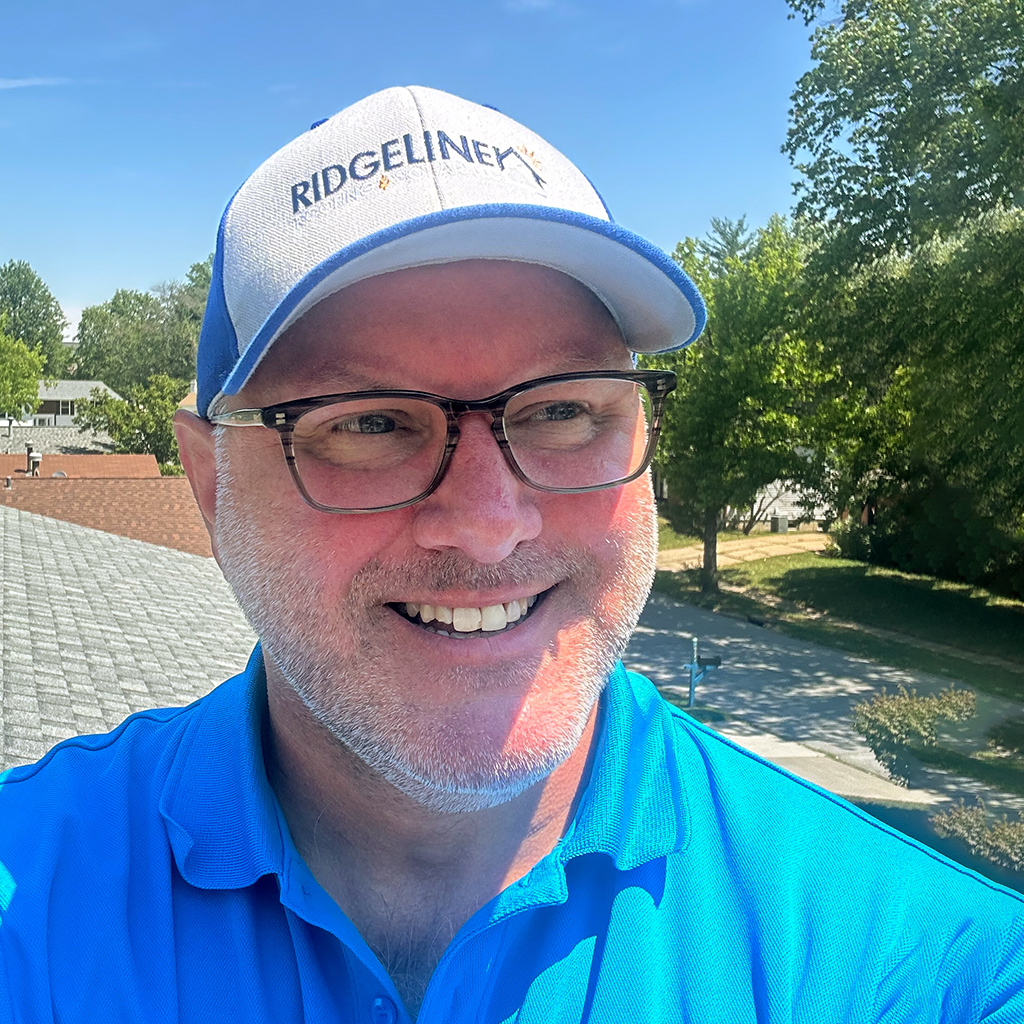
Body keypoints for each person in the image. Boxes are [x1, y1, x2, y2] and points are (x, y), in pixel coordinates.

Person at [1, 85, 1022, 1024]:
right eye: (366, 423)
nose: (491, 521)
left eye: (566, 408)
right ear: (213, 481)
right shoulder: (28, 907)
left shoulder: (914, 966)